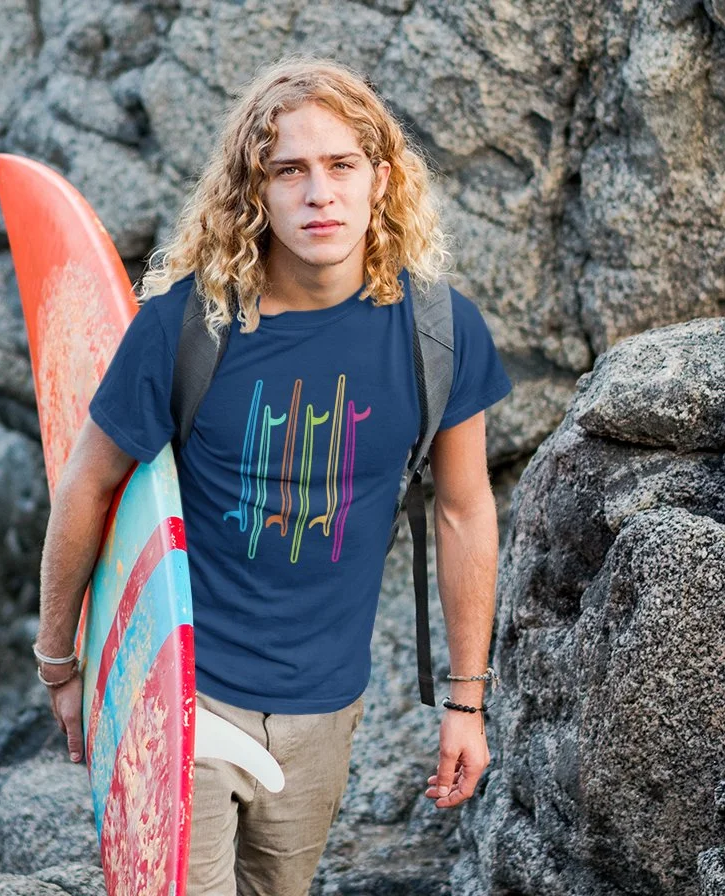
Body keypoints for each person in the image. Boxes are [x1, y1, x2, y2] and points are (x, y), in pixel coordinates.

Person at [33, 57, 511, 896]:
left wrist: (466, 705)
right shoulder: (187, 325)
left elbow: (465, 513)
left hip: (327, 708)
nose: (317, 193)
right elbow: (88, 486)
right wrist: (62, 663)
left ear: (380, 178)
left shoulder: (440, 332)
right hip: (187, 690)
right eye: (288, 171)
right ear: (256, 190)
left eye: (340, 166)